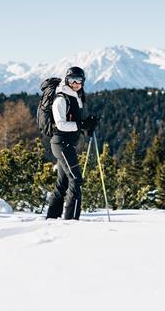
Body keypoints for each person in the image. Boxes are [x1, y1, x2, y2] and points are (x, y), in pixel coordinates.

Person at [46, 66, 97, 220]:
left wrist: (86, 127)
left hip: (67, 144)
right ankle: (71, 220)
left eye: (79, 80)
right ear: (66, 80)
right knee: (75, 179)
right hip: (61, 143)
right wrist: (81, 125)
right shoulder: (61, 98)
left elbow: (73, 121)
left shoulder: (75, 96)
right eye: (72, 80)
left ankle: (52, 218)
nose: (75, 83)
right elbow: (61, 124)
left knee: (63, 183)